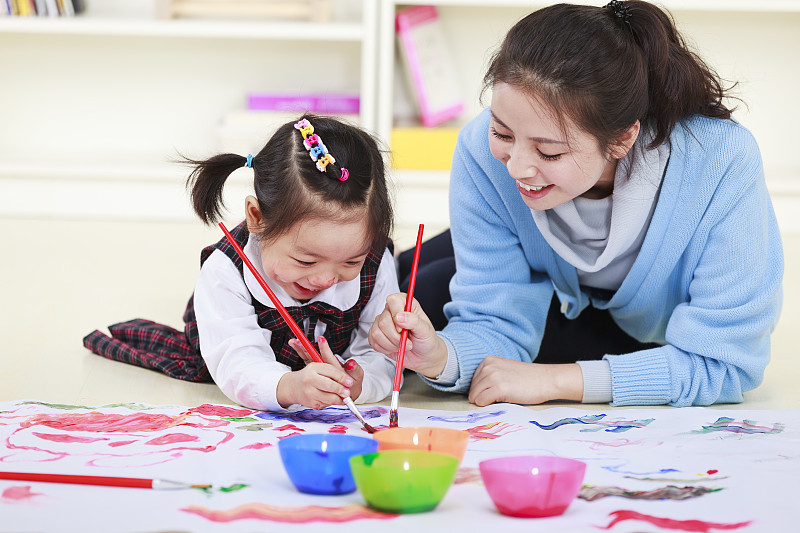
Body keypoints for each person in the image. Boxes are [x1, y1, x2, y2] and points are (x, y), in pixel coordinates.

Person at [370, 1, 783, 407]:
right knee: (401, 287)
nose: (515, 168)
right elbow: (492, 319)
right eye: (503, 133)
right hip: (549, 278)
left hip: (629, 324)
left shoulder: (721, 161)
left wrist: (556, 380)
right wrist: (439, 358)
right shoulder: (483, 151)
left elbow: (725, 364)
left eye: (548, 153)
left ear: (623, 138)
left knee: (430, 285)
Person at [84, 114, 398, 411]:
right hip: (238, 352)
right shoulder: (225, 271)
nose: (325, 279)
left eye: (350, 261)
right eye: (306, 261)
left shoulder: (375, 259)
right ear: (256, 217)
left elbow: (381, 353)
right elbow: (236, 360)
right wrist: (288, 386)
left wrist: (359, 383)